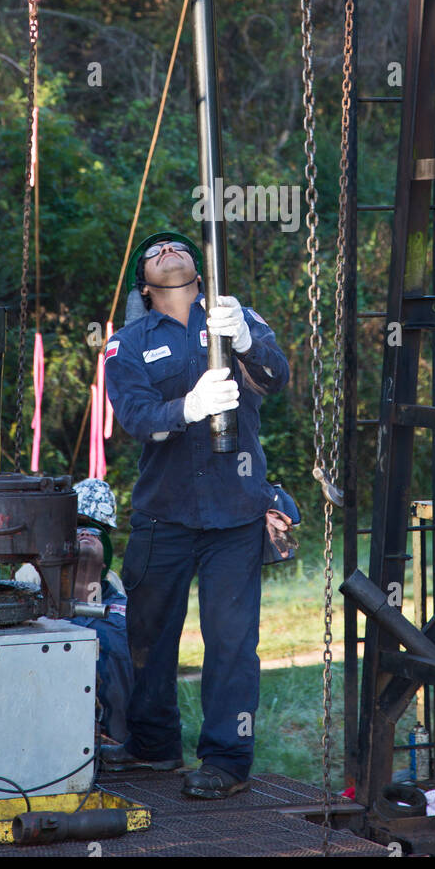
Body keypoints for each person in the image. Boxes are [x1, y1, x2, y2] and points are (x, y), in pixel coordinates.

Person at [101, 231, 289, 799]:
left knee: (232, 642)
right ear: (145, 285)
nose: (166, 252)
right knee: (149, 638)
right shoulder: (127, 343)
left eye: (177, 248)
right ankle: (154, 747)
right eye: (153, 252)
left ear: (200, 272)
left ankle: (227, 762)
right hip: (164, 514)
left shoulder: (236, 315)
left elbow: (276, 379)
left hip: (235, 514)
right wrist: (187, 408)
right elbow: (134, 417)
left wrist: (249, 340)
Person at [16, 477, 134, 743]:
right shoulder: (32, 577)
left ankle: (116, 735)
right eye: (80, 526)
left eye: (96, 530)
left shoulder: (116, 594)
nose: (86, 534)